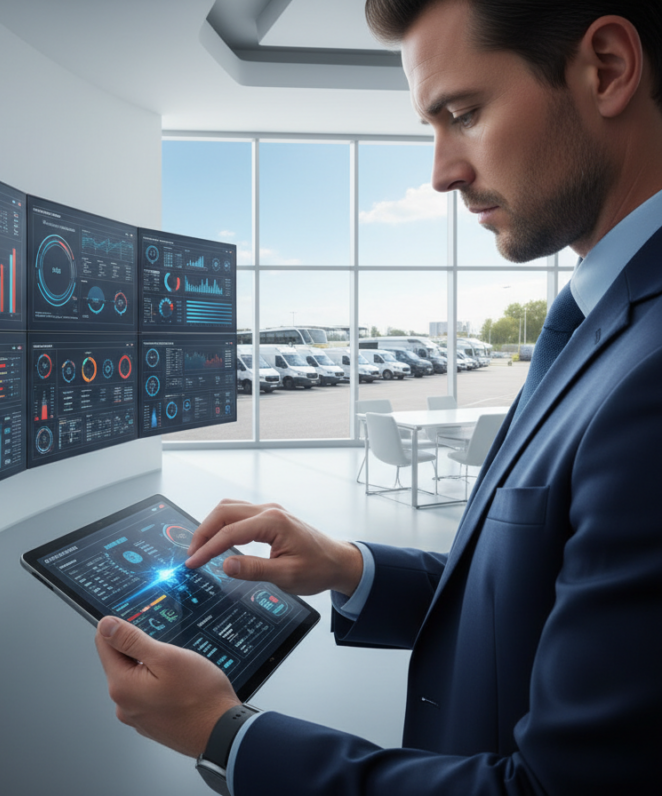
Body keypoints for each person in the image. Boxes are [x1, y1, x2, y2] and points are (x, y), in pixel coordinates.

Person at [94, 1, 662, 793]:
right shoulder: (603, 321)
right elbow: (540, 590)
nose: (441, 173)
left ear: (607, 69)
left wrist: (226, 736)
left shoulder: (650, 375)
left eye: (463, 113)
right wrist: (347, 567)